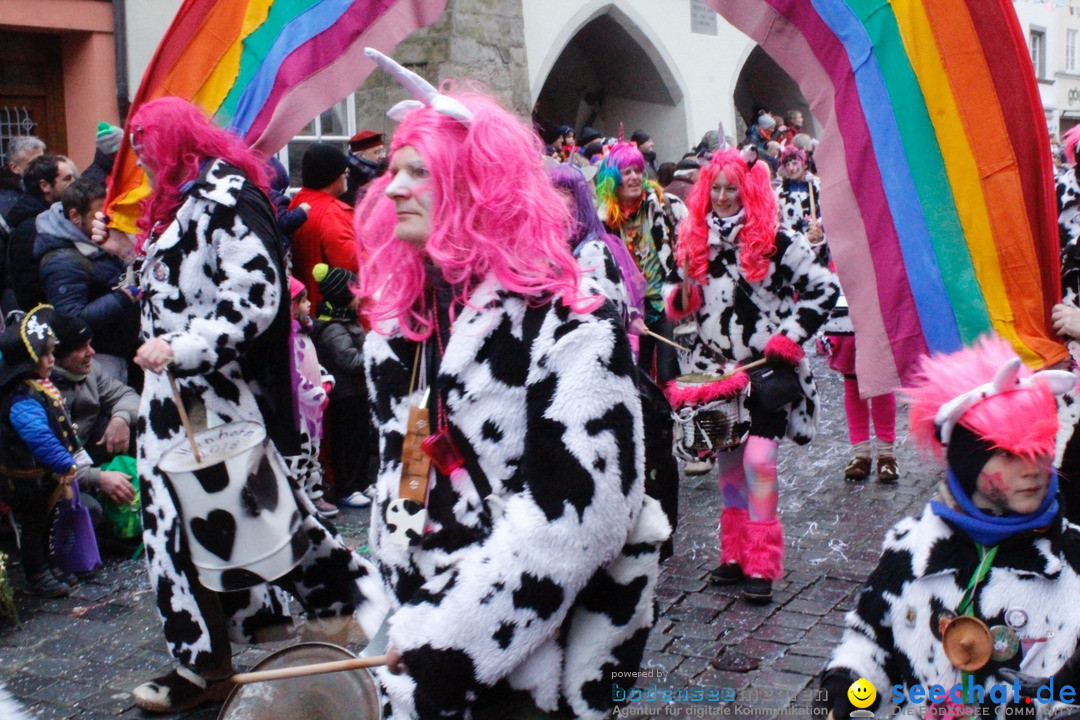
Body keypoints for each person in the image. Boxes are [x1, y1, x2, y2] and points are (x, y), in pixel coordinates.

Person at [355, 48, 668, 719]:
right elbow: (408, 468)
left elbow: (581, 515)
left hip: (530, 658)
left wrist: (443, 644)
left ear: (475, 185)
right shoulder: (403, 325)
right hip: (423, 642)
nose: (394, 188)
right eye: (393, 172)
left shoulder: (566, 315)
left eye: (418, 173)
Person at [91, 97, 387, 714]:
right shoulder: (180, 204)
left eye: (148, 142)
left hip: (212, 398)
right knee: (184, 532)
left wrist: (182, 347)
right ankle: (206, 659)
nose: (140, 155)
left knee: (262, 517)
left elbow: (256, 297)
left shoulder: (223, 201)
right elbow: (170, 290)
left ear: (179, 141)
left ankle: (346, 607)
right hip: (171, 405)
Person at [817, 336, 1080, 720]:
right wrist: (847, 690)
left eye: (1039, 448)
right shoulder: (912, 550)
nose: (1031, 468)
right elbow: (871, 646)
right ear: (967, 463)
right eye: (1008, 454)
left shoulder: (1070, 559)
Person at [666, 149, 839, 603]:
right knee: (727, 460)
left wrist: (790, 336)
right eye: (716, 189)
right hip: (716, 374)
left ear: (749, 190)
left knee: (759, 461)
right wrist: (680, 298)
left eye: (732, 189)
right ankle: (735, 555)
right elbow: (674, 294)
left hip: (766, 373)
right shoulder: (694, 239)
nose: (723, 197)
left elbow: (823, 289)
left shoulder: (777, 240)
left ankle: (762, 563)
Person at [0, 305, 82, 598]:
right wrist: (63, 462)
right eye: (45, 355)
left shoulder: (40, 386)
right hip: (26, 478)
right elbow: (39, 436)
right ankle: (37, 572)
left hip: (44, 477)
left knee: (47, 522)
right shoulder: (22, 398)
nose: (52, 360)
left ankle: (49, 564)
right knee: (32, 527)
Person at [595, 141, 686, 384]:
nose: (635, 177)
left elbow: (693, 244)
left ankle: (677, 420)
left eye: (638, 170)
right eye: (627, 172)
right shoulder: (604, 223)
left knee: (669, 375)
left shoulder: (668, 206)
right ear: (613, 179)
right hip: (634, 310)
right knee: (640, 379)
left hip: (668, 304)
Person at [35, 177, 139, 382]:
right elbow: (71, 318)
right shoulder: (63, 259)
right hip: (97, 357)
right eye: (101, 215)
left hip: (120, 349)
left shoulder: (97, 239)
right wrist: (122, 297)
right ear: (75, 215)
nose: (109, 220)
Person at [49, 313, 138, 507]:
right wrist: (97, 477)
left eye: (89, 344)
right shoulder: (41, 393)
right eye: (81, 348)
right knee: (90, 510)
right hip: (56, 477)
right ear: (58, 357)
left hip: (85, 449)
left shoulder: (89, 371)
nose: (91, 352)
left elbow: (128, 396)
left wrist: (120, 419)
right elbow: (49, 464)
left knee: (133, 427)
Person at [310, 262, 373, 509]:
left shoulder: (347, 320)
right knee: (347, 441)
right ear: (343, 297)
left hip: (357, 391)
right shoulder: (333, 327)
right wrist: (374, 350)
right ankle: (347, 487)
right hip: (344, 394)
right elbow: (349, 360)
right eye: (355, 295)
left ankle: (362, 481)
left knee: (361, 439)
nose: (360, 300)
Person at [285, 277, 337, 519]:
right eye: (302, 300)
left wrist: (325, 380)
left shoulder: (305, 333)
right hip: (298, 409)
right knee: (302, 453)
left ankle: (315, 494)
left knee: (314, 450)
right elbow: (294, 376)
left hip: (313, 406)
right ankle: (301, 500)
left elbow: (313, 364)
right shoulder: (289, 339)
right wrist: (316, 393)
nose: (308, 304)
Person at [288, 142, 359, 307]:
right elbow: (351, 263)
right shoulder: (333, 212)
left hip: (307, 303)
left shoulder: (299, 202)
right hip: (331, 310)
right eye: (345, 173)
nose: (346, 177)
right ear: (332, 176)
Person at [5, 154, 77, 312]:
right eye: (67, 179)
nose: (74, 183)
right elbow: (28, 286)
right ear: (45, 186)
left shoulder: (57, 217)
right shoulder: (30, 229)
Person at [776, 146, 825, 253]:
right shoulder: (779, 194)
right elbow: (778, 224)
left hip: (822, 249)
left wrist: (820, 227)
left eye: (794, 163)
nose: (791, 168)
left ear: (805, 165)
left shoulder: (819, 186)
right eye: (787, 164)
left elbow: (831, 214)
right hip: (796, 252)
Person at [343, 130, 387, 206]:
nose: (383, 156)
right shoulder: (347, 176)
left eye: (383, 151)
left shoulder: (382, 171)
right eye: (377, 152)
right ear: (360, 155)